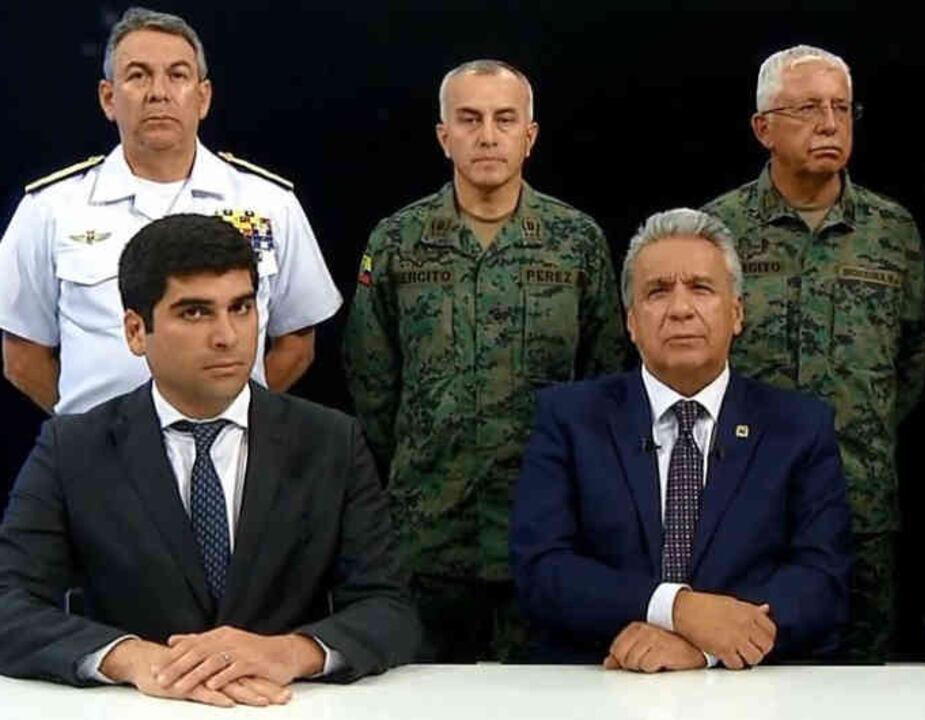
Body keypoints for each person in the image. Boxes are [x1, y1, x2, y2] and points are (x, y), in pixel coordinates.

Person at [0, 214, 417, 706]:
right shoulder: (73, 448)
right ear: (136, 330)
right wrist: (132, 659)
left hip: (286, 707)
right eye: (195, 313)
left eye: (241, 308)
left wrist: (290, 652)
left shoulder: (330, 442)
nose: (227, 336)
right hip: (136, 710)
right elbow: (9, 604)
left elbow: (390, 608)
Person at [343, 59, 627, 662]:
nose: (488, 135)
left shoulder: (576, 241)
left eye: (505, 119)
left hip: (548, 529)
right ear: (444, 135)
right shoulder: (397, 241)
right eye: (469, 120)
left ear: (531, 134)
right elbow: (371, 380)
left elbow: (606, 379)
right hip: (426, 532)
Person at [511, 208, 850, 670]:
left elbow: (820, 580)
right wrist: (675, 607)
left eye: (701, 288)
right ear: (631, 322)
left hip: (749, 692)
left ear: (736, 313)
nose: (680, 308)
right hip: (599, 682)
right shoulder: (570, 419)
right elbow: (542, 570)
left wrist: (704, 648)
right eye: (657, 291)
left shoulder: (799, 427)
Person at [703, 44, 925, 661]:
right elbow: (690, 365)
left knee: (857, 685)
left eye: (841, 107)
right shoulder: (714, 231)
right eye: (807, 108)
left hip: (860, 505)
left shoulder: (892, 231)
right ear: (763, 128)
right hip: (740, 506)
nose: (830, 124)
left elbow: (911, 358)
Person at [0, 6, 341, 415]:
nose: (158, 92)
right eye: (138, 75)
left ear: (203, 97)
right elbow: (22, 357)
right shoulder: (51, 209)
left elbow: (297, 344)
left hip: (233, 460)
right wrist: (91, 437)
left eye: (177, 75)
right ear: (108, 98)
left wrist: (227, 417)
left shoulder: (269, 203)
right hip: (98, 465)